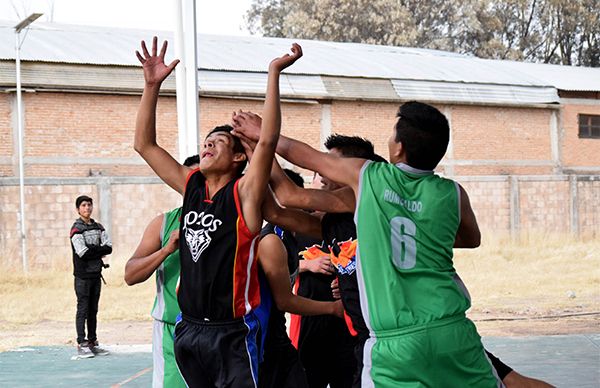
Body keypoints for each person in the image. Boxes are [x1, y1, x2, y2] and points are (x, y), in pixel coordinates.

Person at [232, 102, 502, 387]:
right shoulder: (453, 193)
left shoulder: (372, 178)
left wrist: (264, 136)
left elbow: (300, 160)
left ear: (397, 148)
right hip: (450, 324)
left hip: (392, 337)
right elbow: (472, 239)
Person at [134, 35, 302, 387]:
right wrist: (151, 86)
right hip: (189, 329)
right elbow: (144, 145)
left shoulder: (244, 194)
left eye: (219, 142)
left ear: (240, 157)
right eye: (206, 141)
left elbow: (268, 141)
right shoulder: (192, 186)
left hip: (231, 334)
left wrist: (273, 73)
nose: (208, 144)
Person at [124, 154, 199, 388]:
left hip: (217, 328)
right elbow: (130, 274)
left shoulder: (230, 221)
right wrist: (166, 250)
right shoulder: (164, 223)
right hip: (171, 327)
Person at [69, 195, 112, 359]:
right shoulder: (76, 229)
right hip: (82, 277)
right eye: (84, 205)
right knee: (83, 310)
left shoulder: (99, 227)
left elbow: (108, 248)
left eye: (89, 205)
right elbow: (82, 253)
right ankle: (82, 343)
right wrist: (98, 250)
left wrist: (94, 249)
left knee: (93, 310)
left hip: (96, 275)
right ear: (78, 209)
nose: (87, 208)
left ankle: (93, 342)